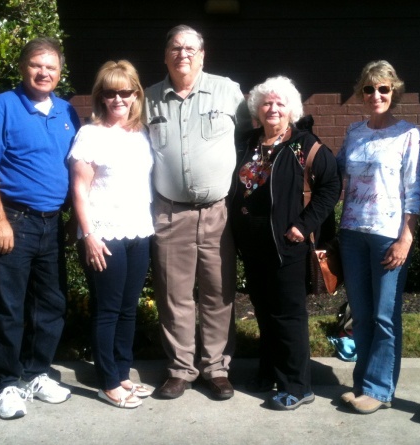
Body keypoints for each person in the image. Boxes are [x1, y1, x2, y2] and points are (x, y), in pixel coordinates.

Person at [0, 37, 80, 419]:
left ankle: (36, 373)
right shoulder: (2, 106)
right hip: (15, 220)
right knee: (9, 307)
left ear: (60, 73)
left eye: (51, 67)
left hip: (53, 223)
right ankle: (4, 384)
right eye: (36, 65)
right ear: (22, 67)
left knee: (50, 304)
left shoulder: (67, 111)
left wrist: (73, 217)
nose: (43, 72)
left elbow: (77, 166)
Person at [145, 25, 251, 400]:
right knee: (174, 296)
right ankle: (180, 370)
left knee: (218, 294)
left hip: (218, 213)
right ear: (165, 56)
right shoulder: (149, 99)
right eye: (176, 48)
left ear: (202, 55)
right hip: (170, 214)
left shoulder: (228, 91)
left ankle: (216, 369)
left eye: (191, 48)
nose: (183, 54)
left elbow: (249, 139)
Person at [232, 76, 341, 410]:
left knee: (288, 315)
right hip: (253, 246)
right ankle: (268, 372)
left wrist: (303, 225)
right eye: (266, 102)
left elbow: (331, 186)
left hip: (287, 246)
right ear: (257, 109)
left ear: (291, 109)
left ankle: (298, 385)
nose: (273, 108)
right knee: (265, 312)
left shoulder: (302, 145)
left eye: (280, 103)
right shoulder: (249, 142)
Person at [336, 61, 420, 414]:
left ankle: (379, 389)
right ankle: (362, 384)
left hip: (388, 237)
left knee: (385, 316)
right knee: (361, 313)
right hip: (352, 233)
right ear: (361, 93)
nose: (376, 95)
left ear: (394, 92)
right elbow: (333, 172)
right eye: (369, 89)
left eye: (383, 89)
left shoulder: (408, 134)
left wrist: (406, 239)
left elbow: (414, 192)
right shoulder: (353, 133)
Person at [68, 60, 154, 408]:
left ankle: (121, 372)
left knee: (128, 308)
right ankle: (107, 382)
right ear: (100, 97)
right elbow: (79, 190)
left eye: (126, 92)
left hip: (138, 229)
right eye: (110, 92)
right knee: (108, 309)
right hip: (103, 233)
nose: (119, 99)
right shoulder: (90, 135)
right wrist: (89, 235)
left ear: (136, 95)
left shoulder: (140, 134)